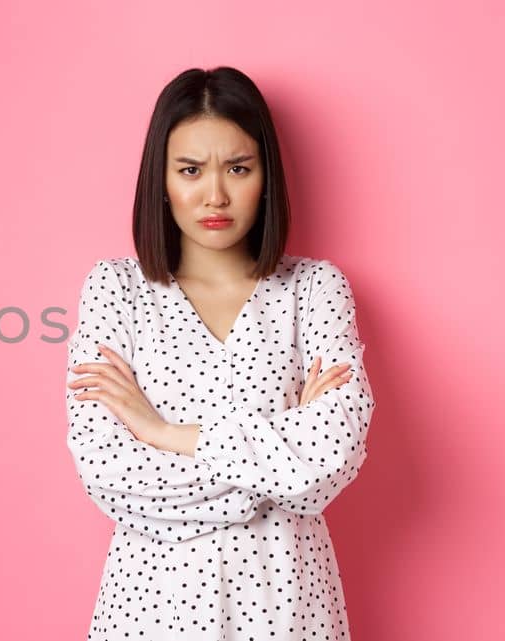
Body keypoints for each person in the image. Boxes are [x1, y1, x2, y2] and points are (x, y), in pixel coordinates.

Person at [64, 66, 376, 640]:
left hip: (286, 600)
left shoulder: (316, 290)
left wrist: (166, 434)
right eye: (190, 170)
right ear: (160, 180)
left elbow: (332, 459)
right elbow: (107, 471)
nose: (216, 195)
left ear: (266, 175)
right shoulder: (115, 290)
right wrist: (277, 465)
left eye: (238, 167)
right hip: (151, 605)